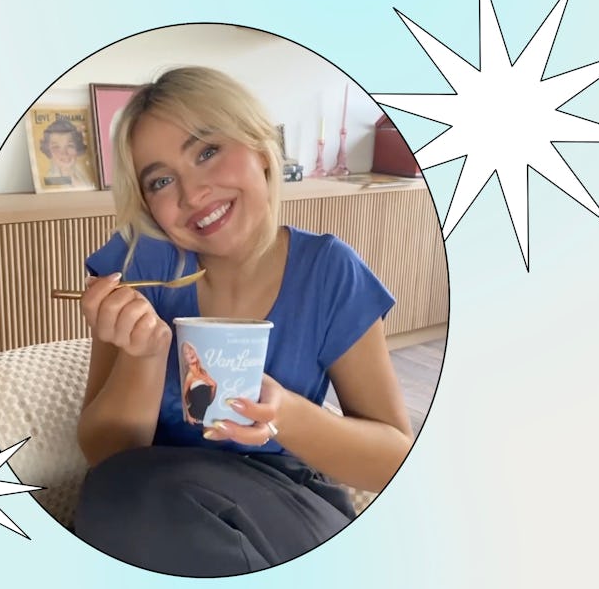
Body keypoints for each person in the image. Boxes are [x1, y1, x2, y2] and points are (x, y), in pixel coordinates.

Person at [73, 66, 413, 577]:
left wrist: (285, 416)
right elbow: (106, 454)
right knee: (119, 494)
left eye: (207, 151)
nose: (191, 194)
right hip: (155, 496)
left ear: (261, 147)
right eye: (161, 180)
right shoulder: (140, 263)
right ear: (148, 205)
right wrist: (143, 358)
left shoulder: (329, 272)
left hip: (285, 500)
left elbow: (392, 457)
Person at [38, 118, 94, 188]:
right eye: (56, 147)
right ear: (48, 150)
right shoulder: (51, 179)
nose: (64, 153)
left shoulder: (86, 175)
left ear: (78, 147)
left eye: (70, 146)